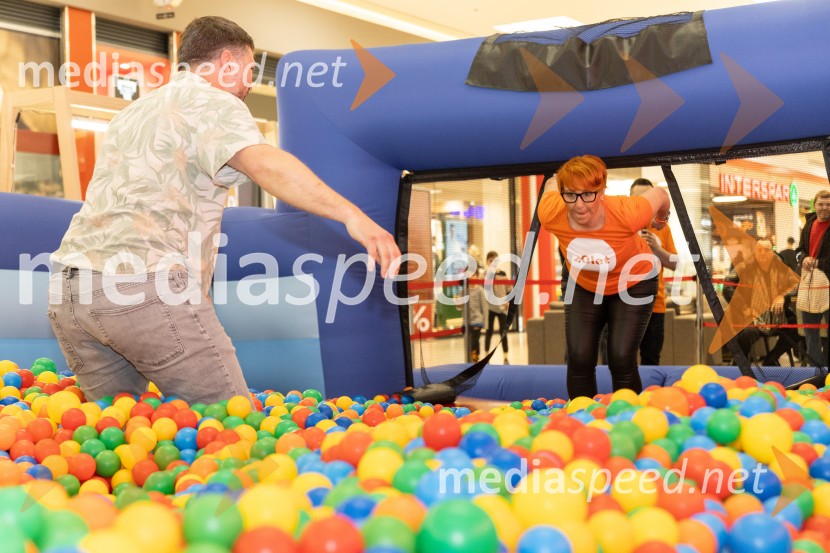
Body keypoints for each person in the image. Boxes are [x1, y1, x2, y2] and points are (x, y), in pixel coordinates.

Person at [47, 16, 401, 405]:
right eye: (250, 71)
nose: (249, 84)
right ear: (228, 61)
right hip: (143, 283)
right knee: (232, 428)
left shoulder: (133, 112)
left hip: (70, 289)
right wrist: (353, 215)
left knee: (124, 433)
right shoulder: (214, 101)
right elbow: (266, 163)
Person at [538, 155, 671, 399]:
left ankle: (628, 421)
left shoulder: (628, 212)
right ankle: (583, 421)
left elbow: (661, 194)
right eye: (570, 195)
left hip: (635, 281)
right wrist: (559, 175)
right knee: (578, 356)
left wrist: (661, 220)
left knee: (620, 356)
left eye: (588, 194)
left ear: (602, 192)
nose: (580, 205)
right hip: (585, 284)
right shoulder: (550, 212)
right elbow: (549, 184)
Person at [724, 239, 801, 366]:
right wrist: (743, 307)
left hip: (777, 315)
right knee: (747, 333)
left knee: (797, 327)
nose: (763, 253)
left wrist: (783, 296)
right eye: (759, 250)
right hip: (752, 315)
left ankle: (771, 359)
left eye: (767, 250)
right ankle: (740, 364)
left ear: (772, 251)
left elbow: (795, 284)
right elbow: (728, 285)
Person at [796, 190, 830, 368]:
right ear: (814, 205)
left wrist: (818, 263)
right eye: (821, 204)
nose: (824, 208)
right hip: (810, 284)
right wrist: (803, 259)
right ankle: (816, 371)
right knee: (811, 333)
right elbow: (799, 250)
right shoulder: (808, 225)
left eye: (828, 204)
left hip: (827, 285)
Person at [484, 251, 512, 364]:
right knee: (488, 331)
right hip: (489, 308)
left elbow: (509, 289)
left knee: (503, 332)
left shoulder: (503, 273)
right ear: (487, 262)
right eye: (490, 260)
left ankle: (506, 357)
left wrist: (508, 301)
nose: (492, 262)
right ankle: (486, 356)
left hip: (501, 307)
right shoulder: (484, 275)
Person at [465, 270, 488, 362]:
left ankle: (475, 359)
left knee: (474, 341)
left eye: (473, 274)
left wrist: (485, 325)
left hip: (477, 321)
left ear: (477, 276)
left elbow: (485, 307)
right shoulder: (465, 290)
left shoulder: (480, 290)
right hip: (467, 322)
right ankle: (471, 359)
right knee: (469, 342)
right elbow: (460, 307)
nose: (471, 276)